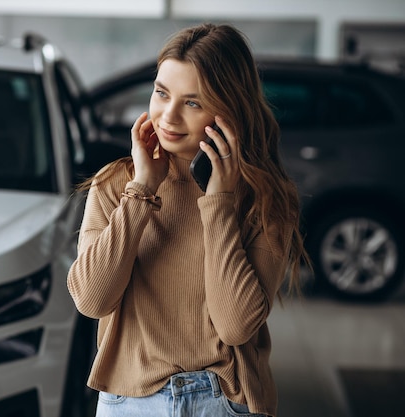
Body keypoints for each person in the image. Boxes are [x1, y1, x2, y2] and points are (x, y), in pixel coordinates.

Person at [67, 23, 309, 417]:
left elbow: (235, 326)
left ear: (230, 111)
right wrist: (142, 190)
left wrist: (219, 201)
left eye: (193, 103)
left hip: (224, 401)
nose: (168, 116)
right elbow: (92, 299)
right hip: (130, 402)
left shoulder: (266, 200)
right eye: (161, 93)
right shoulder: (116, 185)